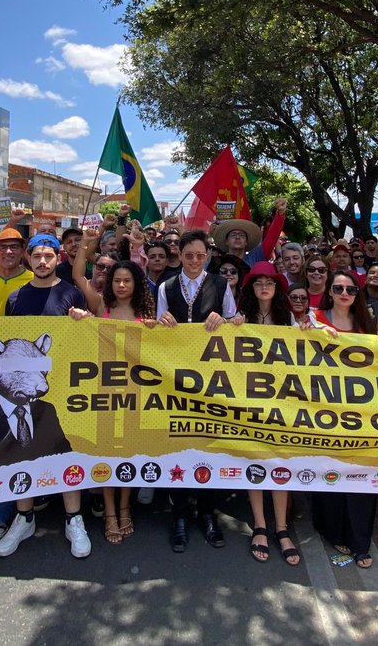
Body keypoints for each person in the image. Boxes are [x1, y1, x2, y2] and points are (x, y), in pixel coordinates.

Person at [0, 234, 92, 560]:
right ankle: (24, 518)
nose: (42, 262)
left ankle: (73, 519)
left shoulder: (71, 293)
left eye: (48, 256)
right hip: (21, 393)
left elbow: (89, 337)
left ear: (57, 257)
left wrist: (84, 320)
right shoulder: (16, 297)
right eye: (36, 256)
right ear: (28, 259)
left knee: (64, 450)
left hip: (62, 385)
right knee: (21, 450)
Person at [155, 230, 236, 552]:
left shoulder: (220, 285)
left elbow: (236, 325)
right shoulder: (167, 286)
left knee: (209, 444)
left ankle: (207, 513)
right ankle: (179, 514)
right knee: (178, 444)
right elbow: (157, 328)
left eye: (200, 256)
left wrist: (225, 320)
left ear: (207, 257)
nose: (193, 261)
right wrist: (159, 323)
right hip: (174, 377)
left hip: (211, 377)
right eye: (189, 255)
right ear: (181, 254)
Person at [70, 260, 155, 545]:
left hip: (135, 393)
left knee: (129, 451)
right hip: (103, 392)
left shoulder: (146, 311)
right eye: (116, 280)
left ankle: (124, 507)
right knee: (105, 451)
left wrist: (161, 327)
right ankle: (109, 513)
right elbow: (78, 275)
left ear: (136, 284)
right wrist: (81, 318)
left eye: (127, 281)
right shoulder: (99, 305)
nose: (120, 285)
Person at [310, 270, 378, 570]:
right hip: (322, 409)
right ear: (329, 291)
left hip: (360, 412)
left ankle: (359, 540)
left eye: (351, 290)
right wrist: (310, 332)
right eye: (338, 288)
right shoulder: (315, 318)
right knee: (328, 471)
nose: (344, 294)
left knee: (359, 475)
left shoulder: (365, 324)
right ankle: (332, 530)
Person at [235, 262, 300, 566]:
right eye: (259, 282)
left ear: (277, 288)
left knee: (280, 459)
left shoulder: (290, 320)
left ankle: (282, 528)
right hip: (249, 398)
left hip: (282, 400)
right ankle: (260, 524)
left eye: (270, 283)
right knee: (255, 460)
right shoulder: (239, 317)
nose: (264, 287)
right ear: (250, 287)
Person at [210, 198, 287, 267]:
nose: (237, 237)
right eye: (233, 235)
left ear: (246, 241)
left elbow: (272, 237)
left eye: (241, 235)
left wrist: (280, 214)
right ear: (226, 241)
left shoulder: (256, 256)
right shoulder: (217, 263)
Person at [0, 226, 34, 316]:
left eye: (14, 247)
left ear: (22, 252)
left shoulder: (34, 280)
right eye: (3, 247)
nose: (8, 251)